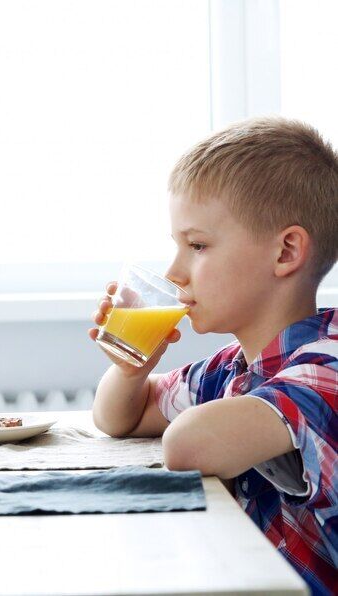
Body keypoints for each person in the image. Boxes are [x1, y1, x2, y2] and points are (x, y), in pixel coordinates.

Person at [89, 116, 337, 595]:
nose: (174, 273)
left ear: (286, 252)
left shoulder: (325, 369)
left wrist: (185, 411)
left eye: (197, 246)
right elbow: (119, 417)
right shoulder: (235, 367)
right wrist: (131, 369)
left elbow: (187, 447)